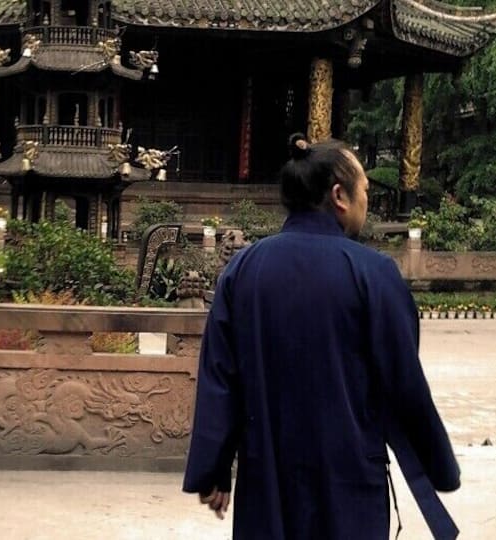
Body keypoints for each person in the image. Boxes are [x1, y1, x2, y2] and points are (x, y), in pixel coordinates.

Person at [183, 134, 460, 539]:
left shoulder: (243, 271)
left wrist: (214, 466)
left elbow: (221, 379)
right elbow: (404, 385)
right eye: (364, 189)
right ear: (339, 196)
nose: (367, 199)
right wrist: (438, 467)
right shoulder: (372, 273)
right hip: (348, 476)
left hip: (267, 475)